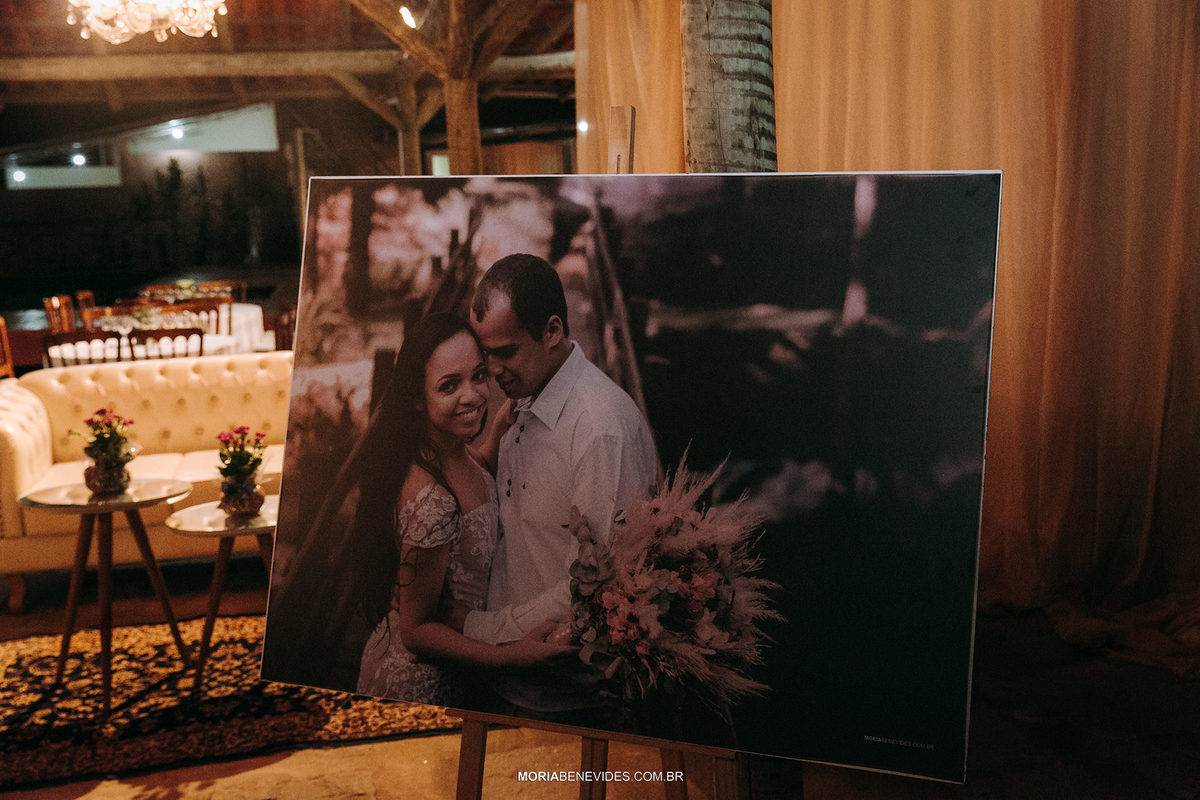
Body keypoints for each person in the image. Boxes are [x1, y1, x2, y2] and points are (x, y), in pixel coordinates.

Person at [463, 253, 660, 719]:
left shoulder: (598, 430)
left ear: (552, 331)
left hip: (569, 701)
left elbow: (593, 587)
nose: (492, 369)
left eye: (505, 352)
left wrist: (478, 630)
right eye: (485, 353)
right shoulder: (523, 405)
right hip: (512, 680)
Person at [354, 311, 572, 706]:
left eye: (478, 376)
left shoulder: (454, 453)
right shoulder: (432, 502)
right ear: (418, 400)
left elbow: (477, 479)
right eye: (449, 386)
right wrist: (510, 657)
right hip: (420, 684)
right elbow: (416, 630)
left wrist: (499, 435)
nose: (472, 395)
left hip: (465, 654)